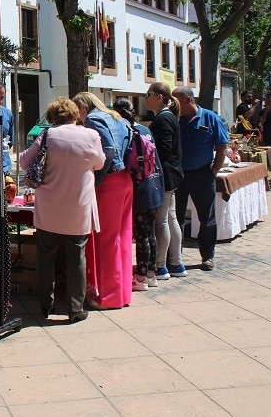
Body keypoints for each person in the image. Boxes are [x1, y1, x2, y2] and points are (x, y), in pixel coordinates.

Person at [19, 97, 105, 323]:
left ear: (53, 116)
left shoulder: (47, 135)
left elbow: (24, 163)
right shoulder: (91, 135)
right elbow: (100, 164)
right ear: (75, 114)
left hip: (48, 207)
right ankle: (75, 308)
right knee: (77, 255)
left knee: (45, 257)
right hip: (78, 206)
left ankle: (45, 304)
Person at [72, 92, 133, 309]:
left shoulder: (94, 119)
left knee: (106, 240)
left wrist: (97, 179)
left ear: (83, 106)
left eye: (77, 109)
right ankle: (123, 293)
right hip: (126, 180)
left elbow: (108, 149)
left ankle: (108, 296)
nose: (77, 116)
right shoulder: (117, 117)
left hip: (110, 182)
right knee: (122, 237)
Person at [171, 87, 228, 270]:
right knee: (175, 217)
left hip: (203, 174)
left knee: (207, 218)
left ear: (188, 100)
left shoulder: (210, 118)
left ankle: (207, 256)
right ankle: (174, 257)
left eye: (176, 101)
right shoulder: (175, 118)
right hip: (179, 176)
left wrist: (213, 172)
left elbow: (222, 146)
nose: (173, 105)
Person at [113, 98, 166, 291]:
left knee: (141, 233)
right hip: (155, 184)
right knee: (150, 232)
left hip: (140, 187)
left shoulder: (126, 133)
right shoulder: (146, 130)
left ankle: (141, 277)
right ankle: (151, 273)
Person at [146, 83, 187, 282]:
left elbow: (163, 149)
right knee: (170, 218)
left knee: (161, 220)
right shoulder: (166, 117)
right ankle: (176, 262)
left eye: (149, 94)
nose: (146, 98)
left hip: (166, 176)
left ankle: (161, 265)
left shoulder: (163, 119)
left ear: (160, 97)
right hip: (171, 175)